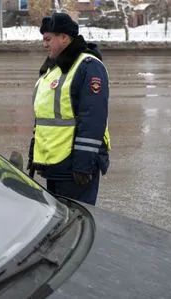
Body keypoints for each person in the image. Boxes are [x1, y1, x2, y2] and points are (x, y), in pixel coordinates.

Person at [27, 12, 111, 206]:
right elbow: (46, 117)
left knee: (77, 224)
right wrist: (37, 153)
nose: (44, 44)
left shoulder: (88, 66)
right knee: (58, 221)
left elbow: (93, 118)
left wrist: (83, 163)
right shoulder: (53, 68)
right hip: (56, 164)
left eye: (48, 39)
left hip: (75, 166)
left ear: (64, 38)